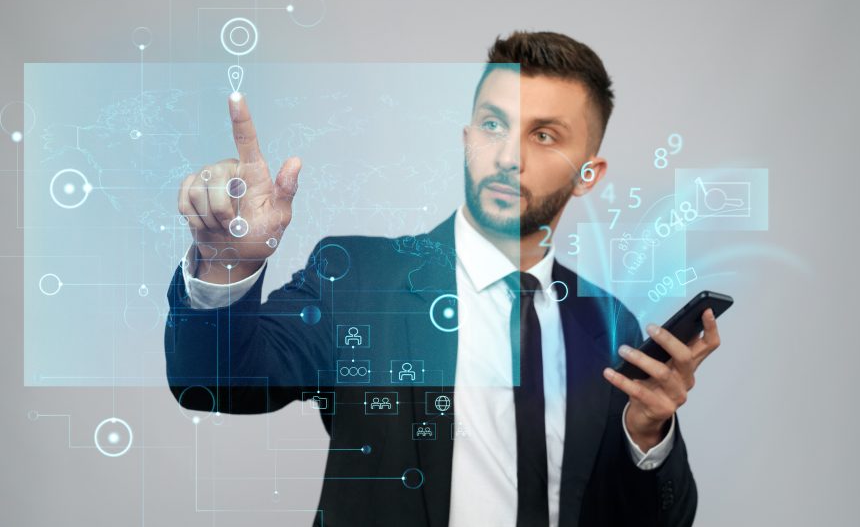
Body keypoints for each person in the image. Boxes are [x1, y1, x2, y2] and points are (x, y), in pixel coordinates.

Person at [166, 30, 722, 527]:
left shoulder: (607, 324)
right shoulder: (359, 279)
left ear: (588, 175)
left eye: (545, 136)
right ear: (467, 138)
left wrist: (647, 434)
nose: (508, 156)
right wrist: (226, 263)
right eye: (494, 124)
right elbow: (215, 380)